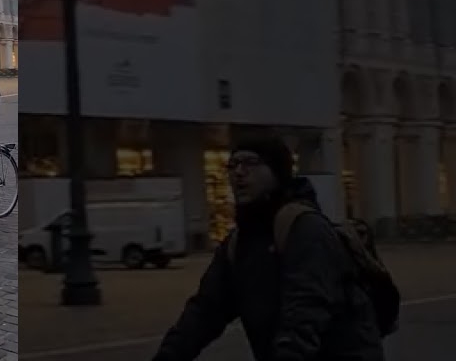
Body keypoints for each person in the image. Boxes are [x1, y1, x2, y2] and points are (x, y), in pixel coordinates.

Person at [151, 137, 385, 361]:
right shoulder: (238, 241)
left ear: (277, 172)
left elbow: (306, 307)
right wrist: (169, 356)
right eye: (233, 165)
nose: (239, 172)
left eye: (250, 163)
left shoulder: (305, 227)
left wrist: (289, 354)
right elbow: (205, 310)